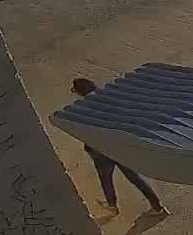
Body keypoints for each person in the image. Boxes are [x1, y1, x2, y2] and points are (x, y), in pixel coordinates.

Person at [70, 78, 166, 215]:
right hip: (118, 147)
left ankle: (112, 205)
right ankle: (157, 206)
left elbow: (85, 131)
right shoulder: (107, 98)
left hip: (100, 152)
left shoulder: (84, 108)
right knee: (135, 178)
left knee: (106, 180)